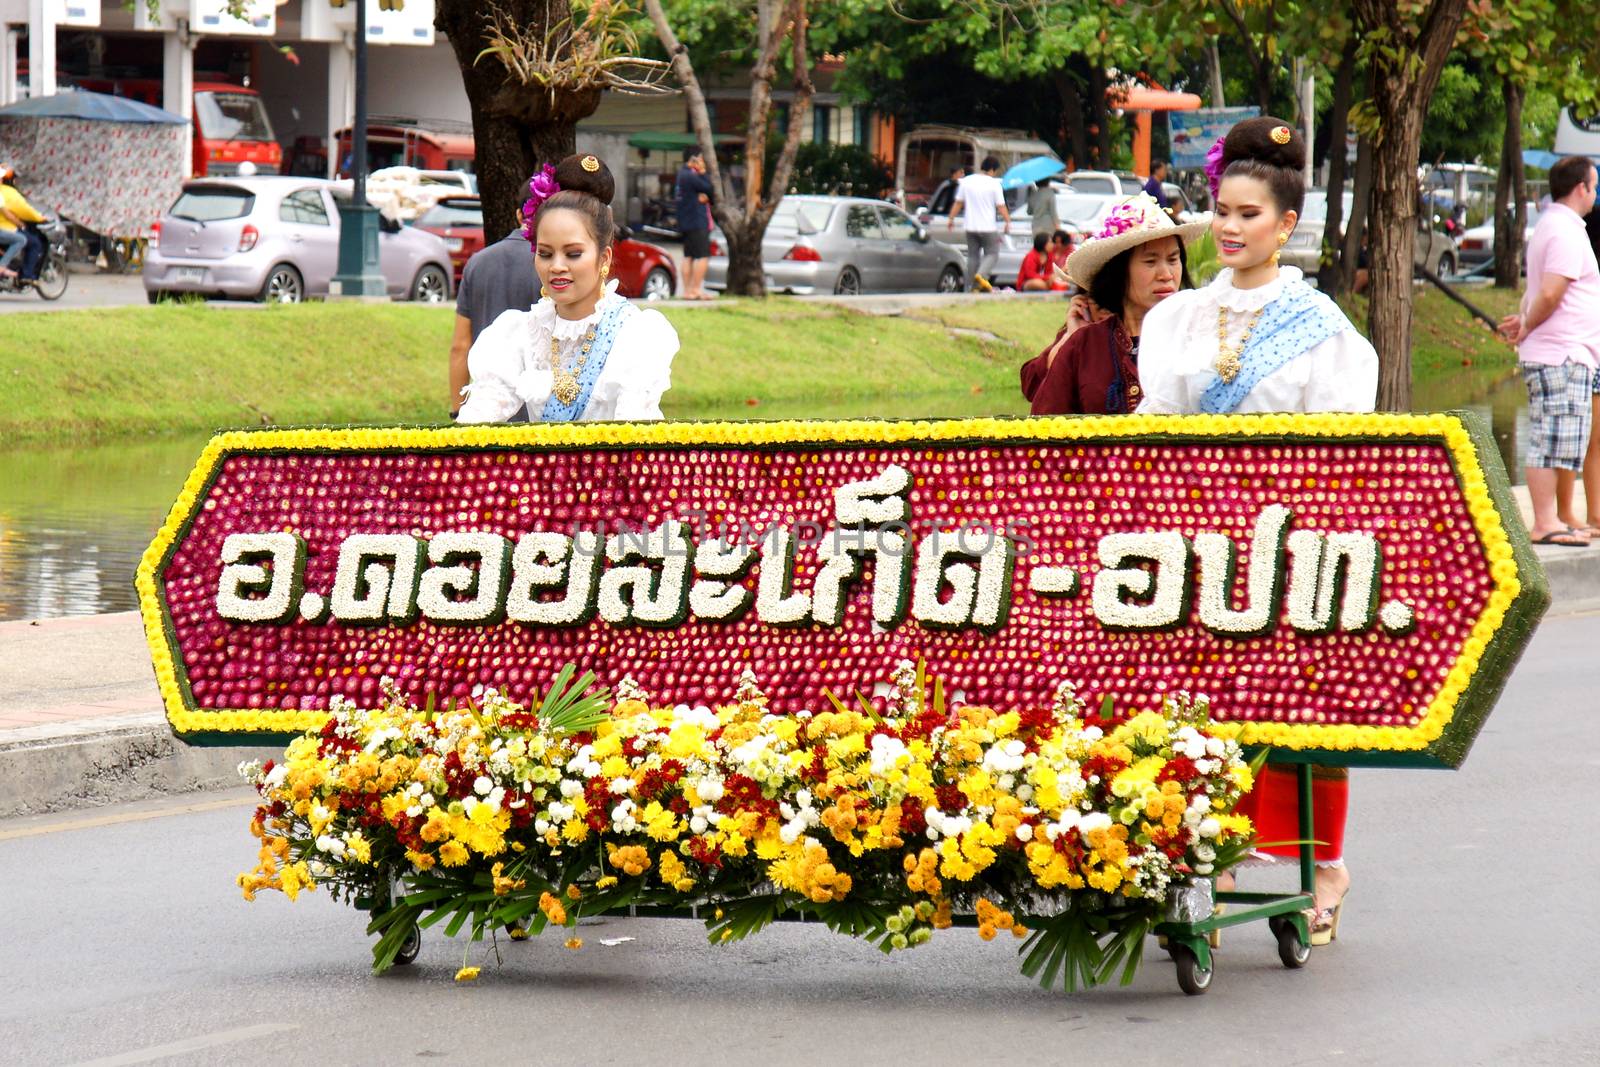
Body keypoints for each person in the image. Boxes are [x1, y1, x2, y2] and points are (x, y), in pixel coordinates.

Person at [1136, 117, 1378, 947]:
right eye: (1220, 210)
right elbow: (1154, 423)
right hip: (1185, 543)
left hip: (1284, 540)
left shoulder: (1327, 330)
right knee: (1195, 704)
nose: (1229, 227)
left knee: (1298, 706)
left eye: (1248, 213)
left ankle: (1325, 862)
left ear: (1284, 225)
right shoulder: (1177, 320)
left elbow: (1341, 449)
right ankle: (1212, 843)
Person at [456, 154, 678, 424]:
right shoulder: (520, 333)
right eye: (546, 254)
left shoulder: (635, 335)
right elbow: (477, 420)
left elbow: (635, 441)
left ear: (604, 258)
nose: (556, 266)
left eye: (573, 254)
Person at [1497, 154, 1600, 545]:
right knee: (1551, 439)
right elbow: (1553, 291)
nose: (1595, 194)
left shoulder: (1554, 226)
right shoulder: (1564, 231)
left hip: (1566, 351)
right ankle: (1545, 523)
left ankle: (1555, 519)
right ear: (1581, 188)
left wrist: (1523, 316)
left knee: (1563, 439)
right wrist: (1526, 325)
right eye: (1594, 186)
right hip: (1562, 353)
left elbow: (1538, 290)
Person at [1020, 194, 1204, 414]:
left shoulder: (1202, 335)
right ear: (1119, 273)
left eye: (1173, 260)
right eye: (1150, 261)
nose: (1166, 274)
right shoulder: (1083, 344)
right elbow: (1044, 429)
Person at [448, 189, 542, 420]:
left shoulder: (477, 262)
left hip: (487, 411)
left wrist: (458, 411)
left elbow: (460, 346)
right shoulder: (558, 270)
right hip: (540, 412)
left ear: (520, 215)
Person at [948, 156, 1010, 292]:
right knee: (992, 253)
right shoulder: (994, 184)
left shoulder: (967, 181)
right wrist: (1007, 220)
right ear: (993, 169)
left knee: (972, 256)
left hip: (970, 226)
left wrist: (951, 219)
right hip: (988, 227)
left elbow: (958, 202)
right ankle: (980, 276)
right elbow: (1001, 206)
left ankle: (970, 286)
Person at [675, 147, 716, 301]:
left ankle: (688, 291)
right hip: (697, 221)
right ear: (694, 159)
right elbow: (710, 189)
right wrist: (704, 172)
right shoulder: (692, 176)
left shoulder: (682, 175)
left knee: (689, 256)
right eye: (700, 158)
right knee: (702, 256)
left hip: (686, 221)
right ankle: (696, 289)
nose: (702, 162)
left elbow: (707, 195)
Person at [0, 166, 45, 280]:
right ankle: (26, 275)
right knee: (33, 242)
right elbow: (23, 210)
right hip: (6, 228)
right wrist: (39, 218)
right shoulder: (9, 192)